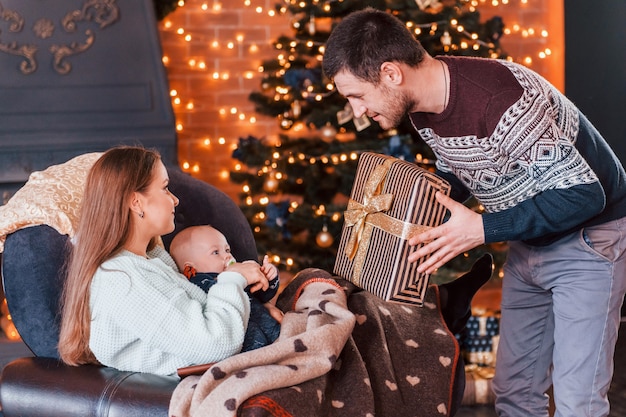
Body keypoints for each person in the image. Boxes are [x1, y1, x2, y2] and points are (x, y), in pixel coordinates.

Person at [322, 8, 626, 417]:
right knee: (514, 392)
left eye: (356, 95)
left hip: (590, 241)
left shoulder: (500, 99)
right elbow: (461, 169)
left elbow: (585, 195)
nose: (357, 111)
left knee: (578, 402)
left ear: (391, 73)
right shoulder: (421, 108)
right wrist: (397, 223)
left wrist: (482, 227)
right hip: (530, 238)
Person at [58, 146, 271, 376]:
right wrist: (233, 279)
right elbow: (215, 343)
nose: (175, 200)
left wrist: (257, 309)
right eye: (165, 188)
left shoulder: (152, 261)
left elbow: (199, 308)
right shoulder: (123, 280)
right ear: (136, 202)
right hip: (210, 372)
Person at [169, 225, 282, 352]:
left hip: (270, 326)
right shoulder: (198, 284)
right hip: (246, 342)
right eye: (215, 252)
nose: (227, 256)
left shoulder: (236, 275)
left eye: (227, 250)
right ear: (190, 268)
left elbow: (262, 295)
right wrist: (235, 276)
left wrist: (268, 276)